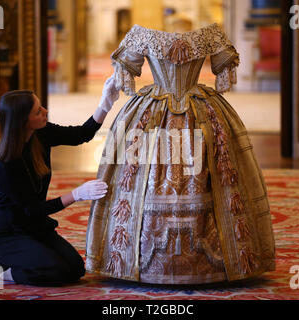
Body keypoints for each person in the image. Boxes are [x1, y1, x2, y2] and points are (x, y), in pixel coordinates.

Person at [86, 24, 276, 284]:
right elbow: (224, 73)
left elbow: (125, 74)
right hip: (198, 108)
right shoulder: (209, 34)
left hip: (153, 109)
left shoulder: (143, 34)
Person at [0, 76, 119, 286]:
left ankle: (19, 259)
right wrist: (77, 195)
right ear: (23, 122)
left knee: (75, 269)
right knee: (56, 271)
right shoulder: (5, 163)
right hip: (9, 233)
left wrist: (105, 103)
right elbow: (34, 209)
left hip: (36, 229)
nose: (45, 111)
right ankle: (6, 273)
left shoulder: (41, 133)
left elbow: (80, 135)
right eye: (38, 111)